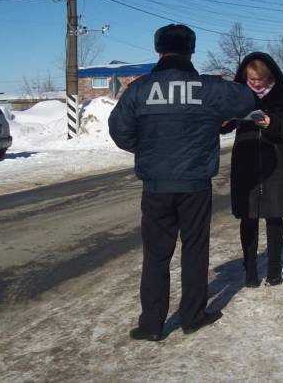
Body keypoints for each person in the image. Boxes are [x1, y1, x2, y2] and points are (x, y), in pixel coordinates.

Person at [109, 24, 254, 341]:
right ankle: (191, 316)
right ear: (191, 51)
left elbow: (119, 132)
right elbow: (246, 99)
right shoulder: (208, 87)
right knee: (194, 253)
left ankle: (151, 325)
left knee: (156, 256)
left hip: (156, 187)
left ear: (159, 50)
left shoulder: (140, 88)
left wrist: (148, 146)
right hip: (195, 185)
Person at [221, 53, 283, 288]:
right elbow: (225, 124)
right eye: (252, 78)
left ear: (270, 76)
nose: (256, 84)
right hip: (245, 160)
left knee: (274, 215)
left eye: (260, 79)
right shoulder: (238, 92)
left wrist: (272, 124)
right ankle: (251, 269)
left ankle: (275, 267)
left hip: (274, 159)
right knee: (248, 216)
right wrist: (223, 122)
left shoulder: (281, 94)